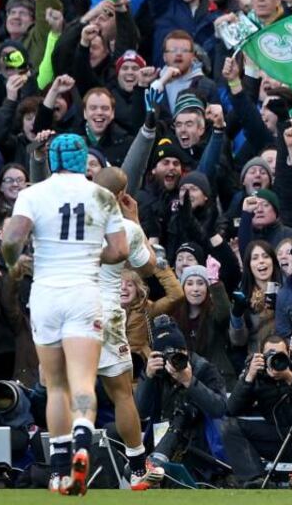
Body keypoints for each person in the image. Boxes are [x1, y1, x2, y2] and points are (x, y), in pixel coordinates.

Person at [0, 133, 129, 496]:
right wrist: (91, 254)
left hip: (45, 292)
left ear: (51, 160)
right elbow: (119, 250)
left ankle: (58, 470)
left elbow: (11, 240)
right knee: (84, 382)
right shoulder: (102, 196)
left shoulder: (32, 193)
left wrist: (15, 264)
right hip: (84, 292)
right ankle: (83, 443)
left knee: (55, 384)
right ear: (83, 159)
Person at [92, 167, 161, 489]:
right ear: (122, 195)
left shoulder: (71, 221)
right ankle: (137, 467)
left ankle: (62, 466)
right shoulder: (124, 227)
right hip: (104, 313)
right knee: (121, 393)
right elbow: (148, 266)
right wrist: (135, 220)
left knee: (68, 391)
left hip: (67, 310)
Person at [135, 316, 229, 486]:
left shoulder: (203, 368)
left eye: (179, 353)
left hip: (197, 444)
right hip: (159, 437)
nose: (173, 360)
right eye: (167, 355)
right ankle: (149, 468)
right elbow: (140, 412)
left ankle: (154, 467)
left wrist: (189, 381)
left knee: (183, 415)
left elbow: (219, 408)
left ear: (186, 350)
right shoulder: (155, 372)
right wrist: (148, 377)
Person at [222, 335, 292, 486]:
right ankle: (254, 479)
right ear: (260, 355)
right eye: (270, 355)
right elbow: (232, 409)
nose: (276, 360)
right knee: (229, 426)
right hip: (278, 436)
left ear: (289, 354)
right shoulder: (257, 372)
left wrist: (290, 377)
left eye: (281, 355)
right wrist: (249, 377)